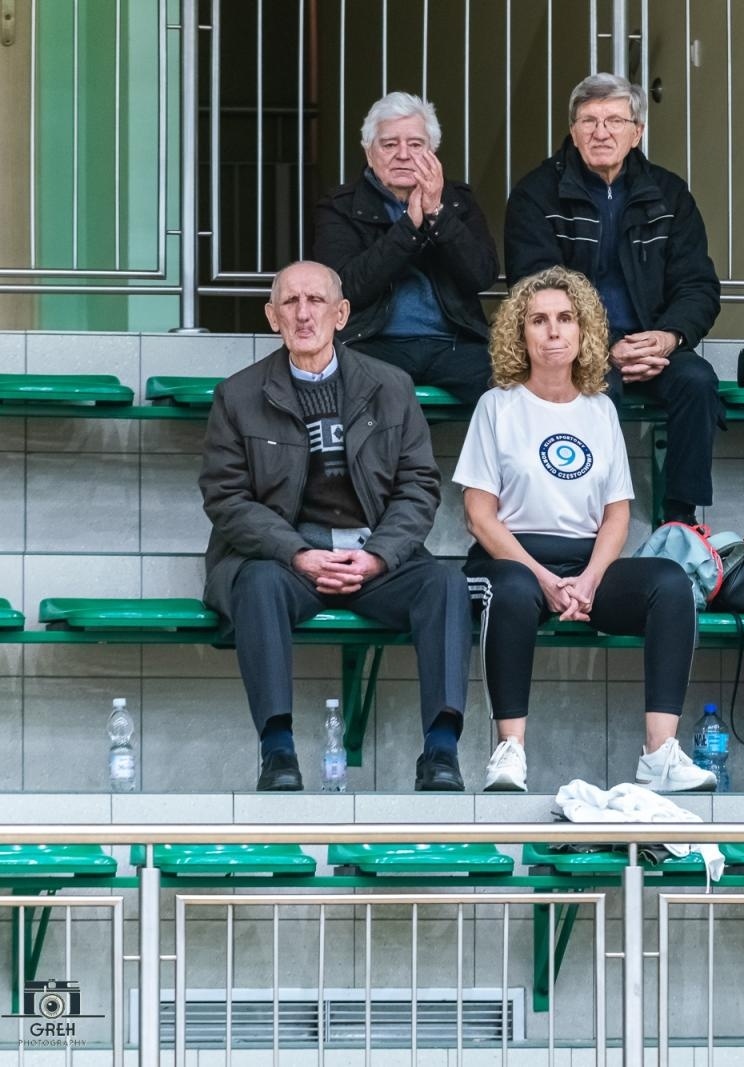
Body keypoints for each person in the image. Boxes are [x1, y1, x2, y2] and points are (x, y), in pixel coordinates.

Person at [199, 261, 472, 792]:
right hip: (289, 562)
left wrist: (379, 556)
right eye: (291, 303)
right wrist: (297, 553)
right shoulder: (237, 395)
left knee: (445, 583)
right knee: (255, 583)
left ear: (342, 313)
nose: (304, 314)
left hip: (375, 559)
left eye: (316, 301)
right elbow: (226, 499)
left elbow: (419, 486)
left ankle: (441, 750)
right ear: (272, 317)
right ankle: (277, 750)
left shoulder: (391, 387)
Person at [453, 266, 715, 794]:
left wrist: (592, 578)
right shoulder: (497, 406)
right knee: (513, 590)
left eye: (566, 318)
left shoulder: (599, 410)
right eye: (539, 320)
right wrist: (544, 577)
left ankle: (659, 754)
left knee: (669, 582)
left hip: (588, 563)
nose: (553, 331)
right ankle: (509, 752)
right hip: (512, 559)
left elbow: (617, 513)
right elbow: (479, 514)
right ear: (519, 334)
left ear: (584, 331)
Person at [504, 73, 722, 527]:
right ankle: (585, 517)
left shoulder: (668, 194)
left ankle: (680, 520)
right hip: (577, 349)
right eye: (589, 121)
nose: (601, 132)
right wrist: (601, 349)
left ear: (637, 132)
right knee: (596, 386)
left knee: (697, 381)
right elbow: (535, 288)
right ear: (572, 130)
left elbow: (697, 284)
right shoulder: (535, 194)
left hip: (651, 343)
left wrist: (668, 336)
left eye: (615, 120)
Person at [313, 92, 498, 406]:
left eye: (415, 145)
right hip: (372, 342)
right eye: (389, 144)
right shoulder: (339, 207)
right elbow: (346, 287)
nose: (403, 155)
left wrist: (437, 214)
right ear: (369, 153)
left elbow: (482, 275)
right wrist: (409, 228)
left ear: (432, 152)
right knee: (356, 392)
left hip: (454, 343)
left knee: (511, 388)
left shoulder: (458, 202)